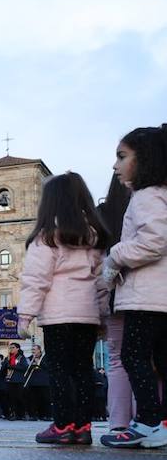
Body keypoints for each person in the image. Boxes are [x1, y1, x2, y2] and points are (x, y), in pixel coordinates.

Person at [17, 171, 110, 445]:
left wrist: (25, 316)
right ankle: (82, 427)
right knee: (82, 370)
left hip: (58, 317)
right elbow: (102, 281)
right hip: (87, 316)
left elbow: (36, 280)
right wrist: (103, 315)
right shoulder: (93, 238)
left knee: (59, 370)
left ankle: (62, 425)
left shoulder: (46, 238)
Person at [101, 124, 167, 448]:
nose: (115, 165)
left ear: (144, 160)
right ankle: (159, 423)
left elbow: (154, 241)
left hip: (147, 298)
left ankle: (148, 423)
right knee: (159, 360)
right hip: (158, 297)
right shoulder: (159, 194)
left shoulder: (145, 196)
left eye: (121, 156)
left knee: (134, 356)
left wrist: (115, 256)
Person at [98, 174, 136, 437]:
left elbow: (96, 262)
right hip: (146, 293)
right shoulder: (147, 200)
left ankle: (118, 424)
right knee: (149, 360)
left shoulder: (104, 214)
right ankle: (150, 421)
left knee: (117, 361)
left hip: (114, 293)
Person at [4, 343, 30, 420]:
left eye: (13, 347)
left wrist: (12, 366)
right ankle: (13, 414)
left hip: (18, 380)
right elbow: (3, 369)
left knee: (20, 397)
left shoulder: (21, 357)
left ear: (17, 348)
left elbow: (24, 367)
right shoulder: (8, 358)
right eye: (10, 347)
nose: (11, 349)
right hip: (9, 380)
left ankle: (22, 414)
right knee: (11, 398)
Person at [25, 346, 51, 420]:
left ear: (39, 350)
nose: (33, 351)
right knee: (33, 400)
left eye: (34, 349)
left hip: (44, 382)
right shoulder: (29, 358)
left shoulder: (45, 357)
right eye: (32, 349)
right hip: (33, 382)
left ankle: (47, 415)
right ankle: (34, 415)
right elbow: (26, 369)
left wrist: (38, 362)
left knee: (45, 399)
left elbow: (48, 367)